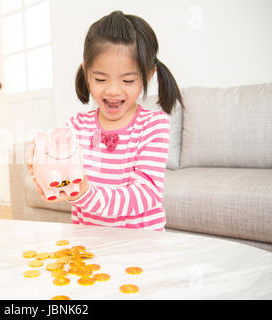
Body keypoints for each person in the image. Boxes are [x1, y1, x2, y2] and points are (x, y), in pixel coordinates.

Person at [26, 10, 183, 231]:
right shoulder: (77, 126)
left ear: (148, 75)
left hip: (142, 247)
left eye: (128, 80)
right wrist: (43, 161)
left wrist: (86, 194)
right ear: (86, 72)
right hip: (89, 246)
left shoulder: (153, 126)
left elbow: (146, 195)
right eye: (100, 79)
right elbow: (65, 176)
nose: (113, 90)